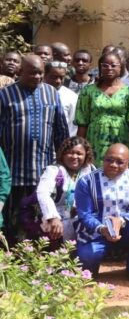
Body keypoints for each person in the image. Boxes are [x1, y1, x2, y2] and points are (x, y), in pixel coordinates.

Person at [0, 55, 70, 239]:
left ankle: (38, 261)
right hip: (13, 171)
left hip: (43, 171)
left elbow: (61, 130)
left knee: (41, 222)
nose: (38, 77)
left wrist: (62, 165)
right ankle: (13, 260)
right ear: (20, 72)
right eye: (33, 73)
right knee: (13, 223)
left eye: (40, 73)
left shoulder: (52, 93)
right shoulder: (5, 95)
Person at [75, 143, 129, 283]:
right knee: (88, 261)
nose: (113, 165)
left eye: (120, 162)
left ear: (128, 163)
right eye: (109, 160)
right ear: (103, 159)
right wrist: (103, 229)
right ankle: (90, 268)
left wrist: (122, 220)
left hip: (125, 229)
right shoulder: (86, 181)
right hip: (96, 231)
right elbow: (85, 214)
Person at [75, 52, 129, 167]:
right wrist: (80, 150)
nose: (109, 68)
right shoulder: (88, 91)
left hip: (122, 139)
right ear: (100, 67)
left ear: (120, 67)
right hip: (95, 141)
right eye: (105, 65)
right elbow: (82, 123)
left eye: (113, 65)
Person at [23, 137, 95, 245]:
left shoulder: (90, 171)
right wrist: (53, 217)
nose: (75, 157)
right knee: (52, 243)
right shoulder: (53, 170)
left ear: (86, 156)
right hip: (53, 216)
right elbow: (42, 193)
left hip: (78, 217)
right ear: (62, 155)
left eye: (79, 154)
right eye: (70, 153)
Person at [45, 61, 78, 137]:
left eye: (61, 77)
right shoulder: (37, 93)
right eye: (54, 77)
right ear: (45, 75)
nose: (58, 81)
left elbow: (72, 126)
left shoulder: (72, 97)